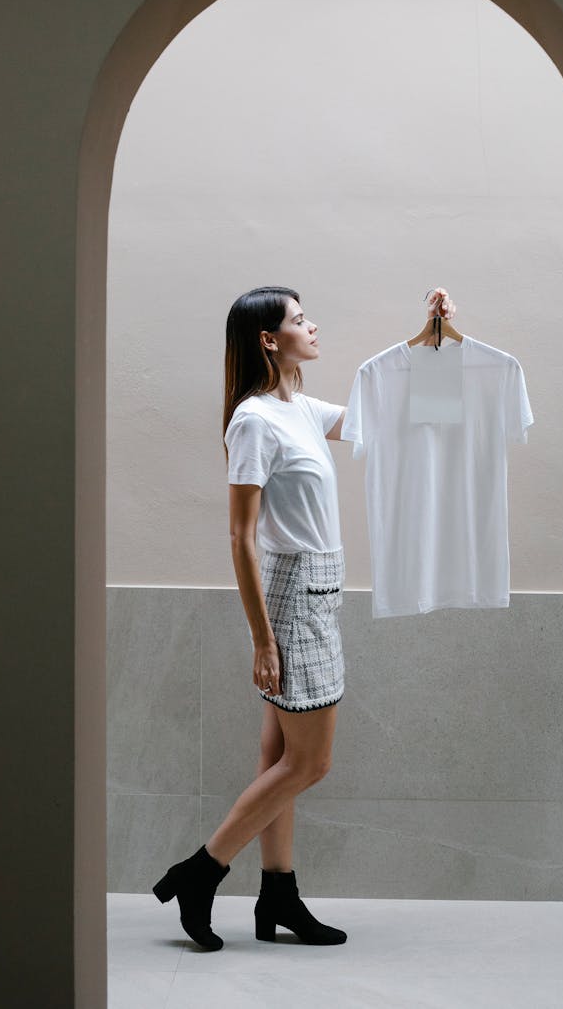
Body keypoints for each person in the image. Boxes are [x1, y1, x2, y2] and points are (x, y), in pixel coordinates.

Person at [153, 284, 457, 951]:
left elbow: (384, 411)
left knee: (279, 752)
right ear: (269, 338)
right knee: (310, 762)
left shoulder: (300, 409)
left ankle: (278, 896)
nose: (313, 325)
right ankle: (199, 871)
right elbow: (240, 536)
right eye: (298, 319)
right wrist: (263, 638)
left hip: (317, 590)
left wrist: (430, 335)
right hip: (292, 597)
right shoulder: (255, 420)